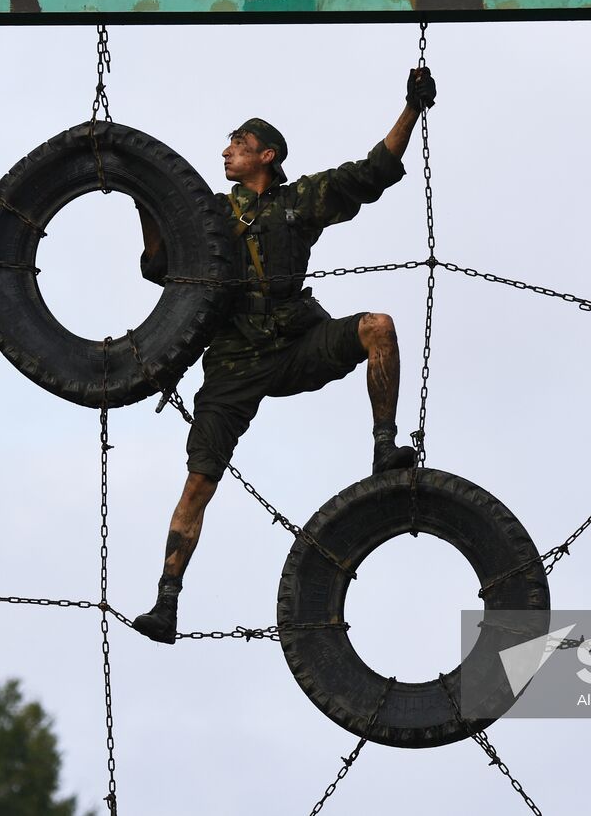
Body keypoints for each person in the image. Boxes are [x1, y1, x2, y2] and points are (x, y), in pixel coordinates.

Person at [130, 68, 438, 643]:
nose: (226, 152)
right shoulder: (210, 217)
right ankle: (166, 602)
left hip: (297, 345)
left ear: (266, 157)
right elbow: (157, 266)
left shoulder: (299, 203)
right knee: (198, 482)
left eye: (239, 146)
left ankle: (383, 452)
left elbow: (372, 174)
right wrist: (145, 195)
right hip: (233, 365)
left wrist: (411, 110)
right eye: (229, 145)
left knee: (379, 327)